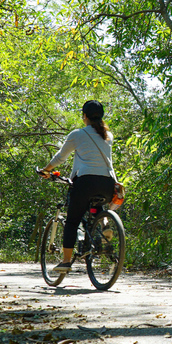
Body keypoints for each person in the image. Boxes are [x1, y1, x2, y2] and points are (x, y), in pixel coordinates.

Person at [40, 100, 117, 272]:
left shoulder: (78, 134)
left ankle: (66, 262)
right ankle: (104, 224)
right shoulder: (108, 136)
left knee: (72, 221)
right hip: (107, 184)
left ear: (84, 116)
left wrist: (46, 170)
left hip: (85, 183)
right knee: (97, 203)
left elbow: (60, 157)